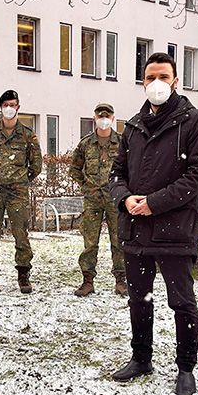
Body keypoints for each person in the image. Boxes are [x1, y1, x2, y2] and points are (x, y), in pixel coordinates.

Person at [109, 53, 198, 395]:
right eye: (150, 76)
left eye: (163, 76)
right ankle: (141, 358)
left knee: (181, 302)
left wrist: (154, 203)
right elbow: (117, 173)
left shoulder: (193, 121)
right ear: (143, 81)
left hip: (175, 230)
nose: (157, 83)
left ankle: (186, 367)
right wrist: (124, 198)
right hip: (136, 230)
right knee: (139, 300)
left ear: (175, 81)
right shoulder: (134, 125)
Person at [0, 90, 43, 295]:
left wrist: (20, 179)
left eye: (12, 104)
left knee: (21, 234)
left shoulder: (27, 134)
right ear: (0, 107)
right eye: (6, 105)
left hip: (18, 193)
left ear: (18, 107)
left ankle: (23, 276)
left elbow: (36, 165)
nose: (9, 108)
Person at [69, 103, 127, 297]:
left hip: (115, 200)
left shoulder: (122, 143)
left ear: (112, 118)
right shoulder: (85, 144)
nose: (103, 119)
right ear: (94, 117)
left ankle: (121, 280)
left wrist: (123, 189)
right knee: (90, 242)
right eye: (100, 115)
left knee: (118, 241)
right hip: (92, 199)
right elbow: (74, 169)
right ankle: (87, 281)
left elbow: (131, 169)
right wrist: (86, 186)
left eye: (107, 115)